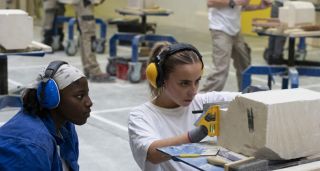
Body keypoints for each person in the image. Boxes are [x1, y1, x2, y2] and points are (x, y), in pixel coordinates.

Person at [128, 42, 239, 170]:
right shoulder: (141, 116)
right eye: (184, 83)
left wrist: (255, 95)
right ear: (161, 80)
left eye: (197, 81)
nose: (193, 91)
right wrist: (196, 134)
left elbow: (243, 99)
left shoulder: (204, 101)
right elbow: (152, 153)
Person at [0, 60, 92, 170]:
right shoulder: (31, 147)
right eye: (79, 96)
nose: (89, 102)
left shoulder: (66, 127)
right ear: (52, 97)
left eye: (87, 94)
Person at [200, 0, 272, 92]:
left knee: (244, 66)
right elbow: (210, 2)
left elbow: (240, 7)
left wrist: (258, 7)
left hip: (235, 30)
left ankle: (245, 96)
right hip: (220, 28)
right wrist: (235, 2)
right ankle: (203, 99)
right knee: (221, 70)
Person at [72, 0, 114, 82]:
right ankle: (94, 71)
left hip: (83, 4)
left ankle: (88, 68)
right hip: (84, 3)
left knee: (85, 35)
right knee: (89, 35)